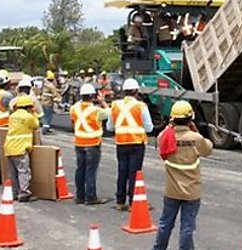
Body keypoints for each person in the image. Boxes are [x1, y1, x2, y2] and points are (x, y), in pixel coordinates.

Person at [152, 101, 213, 250]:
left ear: (172, 119)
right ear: (190, 118)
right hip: (191, 192)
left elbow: (160, 139)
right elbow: (208, 149)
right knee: (187, 228)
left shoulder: (166, 136)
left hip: (172, 191)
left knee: (165, 224)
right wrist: (196, 131)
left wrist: (169, 126)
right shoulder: (195, 138)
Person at [107, 78, 153, 211]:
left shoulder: (115, 105)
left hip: (121, 143)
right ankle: (133, 201)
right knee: (134, 173)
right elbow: (149, 128)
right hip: (137, 143)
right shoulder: (141, 106)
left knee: (122, 171)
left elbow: (110, 127)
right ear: (136, 91)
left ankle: (120, 201)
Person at [70, 83, 109, 205]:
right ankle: (91, 197)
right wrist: (103, 101)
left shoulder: (74, 108)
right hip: (93, 143)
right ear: (93, 95)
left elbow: (73, 118)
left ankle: (80, 196)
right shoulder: (96, 111)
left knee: (80, 169)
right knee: (90, 171)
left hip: (79, 142)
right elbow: (109, 113)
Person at [5, 95, 40, 202]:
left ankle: (14, 193)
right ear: (29, 107)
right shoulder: (28, 117)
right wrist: (34, 114)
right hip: (20, 148)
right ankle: (24, 193)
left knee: (13, 172)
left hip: (9, 147)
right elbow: (36, 125)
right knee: (23, 171)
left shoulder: (12, 116)